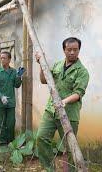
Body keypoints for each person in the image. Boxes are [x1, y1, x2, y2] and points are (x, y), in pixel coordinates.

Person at [35, 37, 89, 171]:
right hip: (51, 110)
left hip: (69, 113)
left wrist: (64, 101)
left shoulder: (82, 72)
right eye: (69, 49)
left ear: (79, 50)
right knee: (41, 138)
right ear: (64, 50)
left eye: (75, 50)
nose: (72, 52)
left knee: (70, 148)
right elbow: (44, 80)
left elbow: (78, 93)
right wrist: (42, 66)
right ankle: (49, 169)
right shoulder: (58, 65)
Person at [0, 51, 24, 148]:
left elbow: (17, 85)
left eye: (4, 58)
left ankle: (11, 142)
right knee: (0, 123)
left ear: (9, 59)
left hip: (10, 103)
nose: (2, 60)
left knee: (11, 123)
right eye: (1, 58)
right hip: (0, 103)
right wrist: (1, 96)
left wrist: (19, 76)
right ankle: (2, 143)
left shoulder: (13, 72)